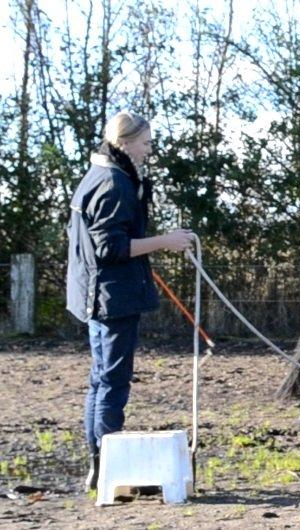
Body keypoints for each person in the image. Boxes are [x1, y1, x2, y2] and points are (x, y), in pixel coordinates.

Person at [66, 111, 195, 490]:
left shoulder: (97, 176)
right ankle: (108, 467)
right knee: (113, 383)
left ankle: (99, 463)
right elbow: (111, 247)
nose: (149, 150)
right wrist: (165, 241)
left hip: (101, 294)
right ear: (125, 142)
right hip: (113, 297)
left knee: (101, 380)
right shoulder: (114, 183)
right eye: (145, 143)